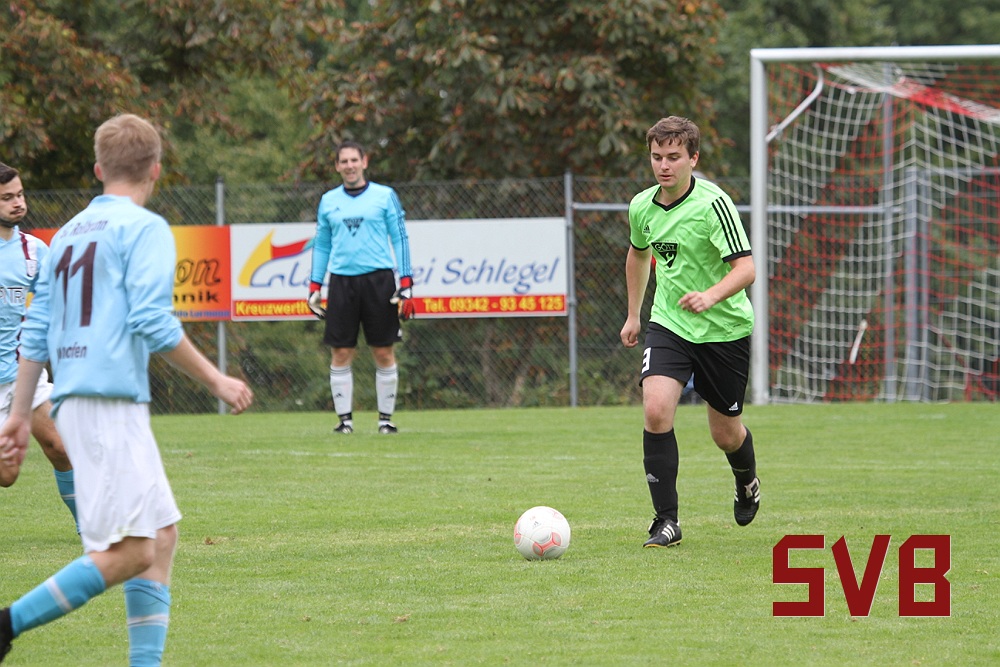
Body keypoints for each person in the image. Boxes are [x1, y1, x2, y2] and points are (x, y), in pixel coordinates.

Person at [0, 113, 254, 665]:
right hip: (107, 404)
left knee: (161, 535)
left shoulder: (66, 234)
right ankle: (6, 625)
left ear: (98, 169)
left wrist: (18, 414)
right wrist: (216, 378)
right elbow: (152, 321)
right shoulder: (144, 228)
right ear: (156, 169)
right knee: (133, 551)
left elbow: (36, 331)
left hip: (82, 400)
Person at [619, 116, 760, 549]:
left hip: (724, 329)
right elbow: (638, 255)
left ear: (693, 159)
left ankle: (747, 481)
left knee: (725, 434)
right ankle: (666, 521)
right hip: (670, 323)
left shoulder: (714, 204)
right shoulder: (642, 207)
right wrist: (633, 315)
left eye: (674, 157)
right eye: (657, 157)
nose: (664, 166)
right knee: (656, 409)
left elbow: (746, 269)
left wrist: (710, 296)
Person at [308, 140, 414, 435]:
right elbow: (322, 243)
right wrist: (315, 285)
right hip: (342, 282)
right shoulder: (328, 200)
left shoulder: (385, 196)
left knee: (383, 352)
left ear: (364, 162)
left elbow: (400, 238)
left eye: (354, 160)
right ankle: (345, 422)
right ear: (337, 166)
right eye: (344, 161)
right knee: (341, 352)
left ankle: (385, 421)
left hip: (379, 281)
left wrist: (406, 282)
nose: (350, 166)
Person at [0, 163, 77, 527]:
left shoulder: (34, 251)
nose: (18, 203)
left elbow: (59, 304)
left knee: (61, 445)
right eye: (7, 198)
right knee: (7, 476)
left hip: (21, 375)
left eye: (19, 195)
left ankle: (92, 532)